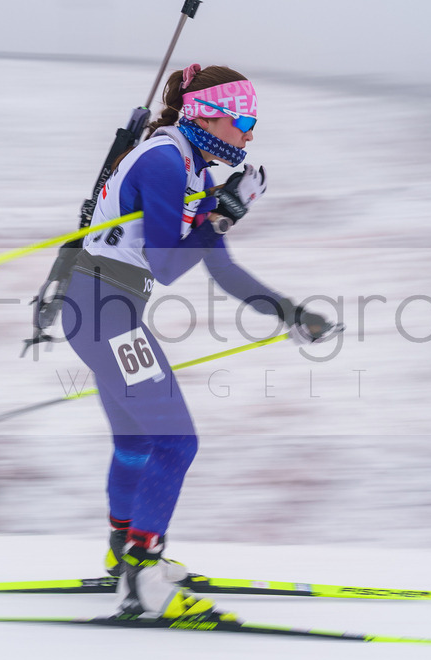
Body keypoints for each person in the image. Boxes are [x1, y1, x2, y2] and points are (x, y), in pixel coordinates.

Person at [61, 63, 338, 621]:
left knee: (138, 445)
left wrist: (288, 311)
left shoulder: (193, 171)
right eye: (245, 121)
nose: (250, 135)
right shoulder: (164, 161)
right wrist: (224, 213)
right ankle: (144, 578)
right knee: (176, 443)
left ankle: (124, 554)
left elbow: (221, 268)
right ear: (209, 115)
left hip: (102, 312)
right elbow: (166, 265)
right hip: (104, 315)